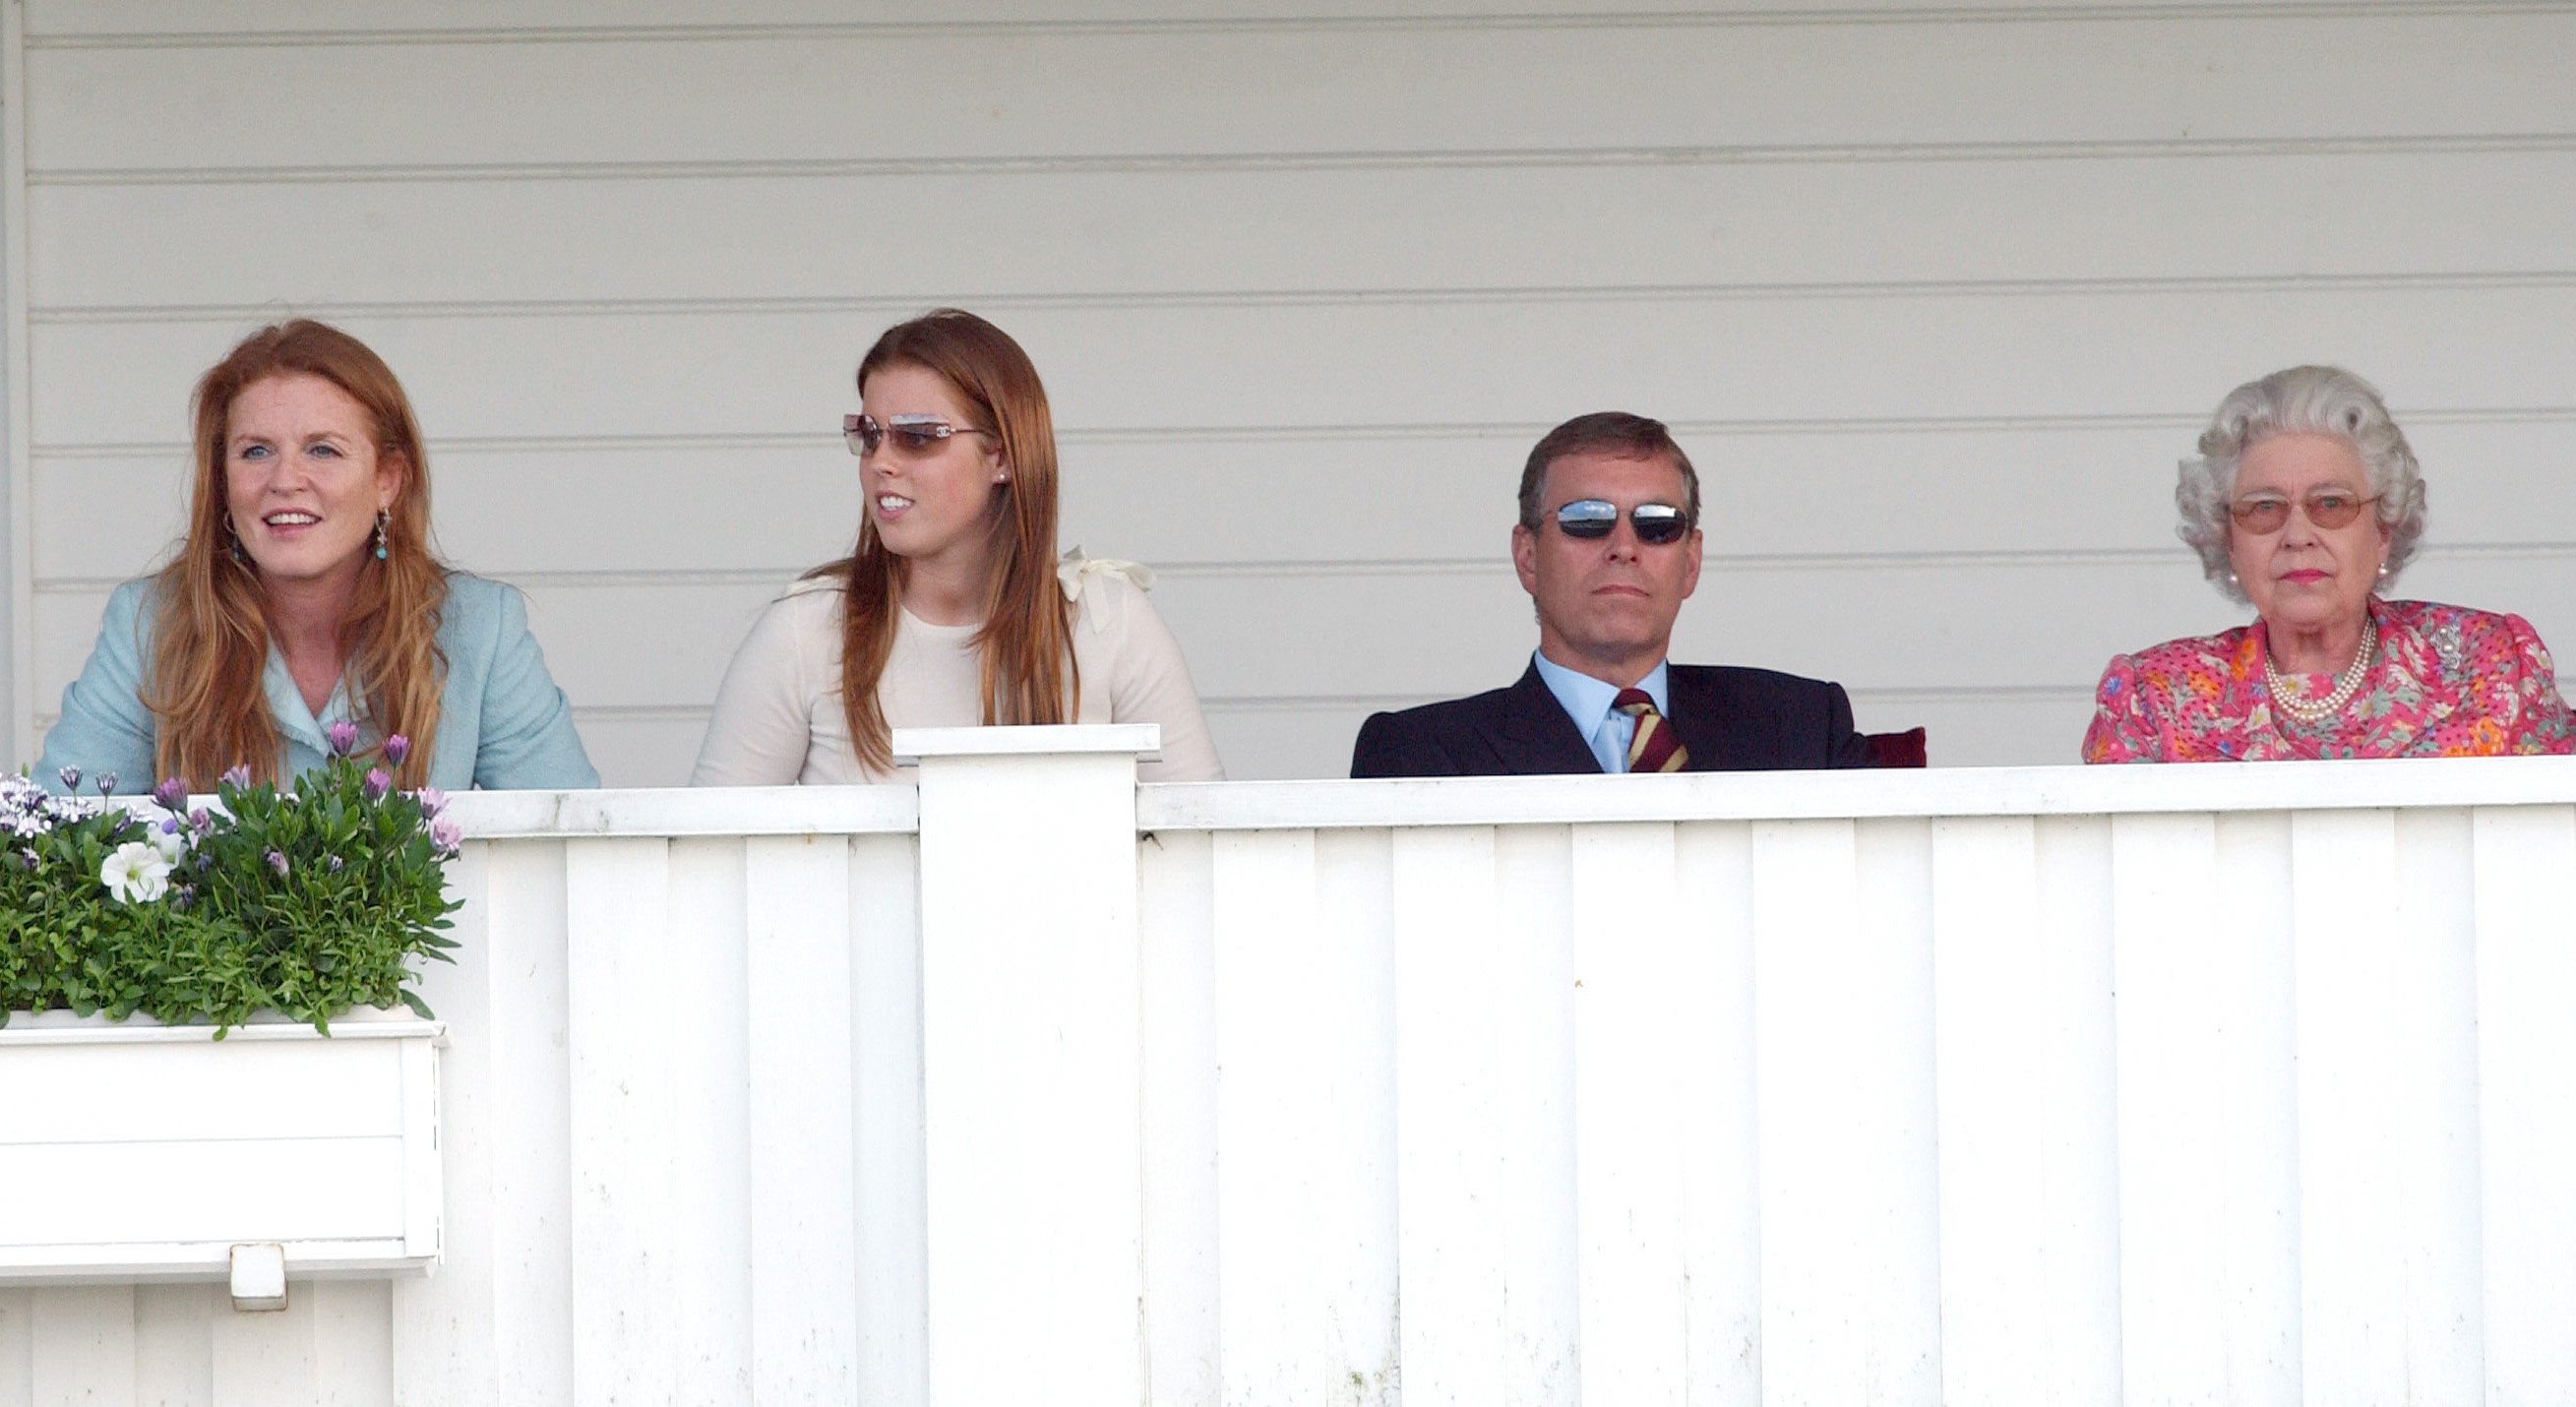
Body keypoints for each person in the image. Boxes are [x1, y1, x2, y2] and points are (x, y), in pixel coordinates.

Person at [39, 320, 597, 793]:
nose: (285, 480)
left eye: (322, 450)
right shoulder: (149, 624)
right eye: (255, 451)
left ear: (388, 479)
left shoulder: (480, 627)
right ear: (222, 483)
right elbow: (57, 841)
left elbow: (573, 845)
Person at [691, 309, 1222, 784]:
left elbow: (1205, 848)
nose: (881, 461)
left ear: (1004, 456)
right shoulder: (805, 632)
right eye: (869, 435)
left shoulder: (1109, 621)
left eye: (918, 435)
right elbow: (708, 859)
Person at [2083, 365, 2574, 762]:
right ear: (2229, 541)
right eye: (2264, 508)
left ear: (2383, 530)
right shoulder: (2155, 699)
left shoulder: (2491, 667)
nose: (2297, 536)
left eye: (2331, 504)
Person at [1351, 411, 1871, 776]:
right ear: (1527, 557)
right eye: (1586, 520)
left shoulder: (1800, 727)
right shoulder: (1417, 756)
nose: (1624, 547)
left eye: (1658, 524)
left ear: (1690, 562)